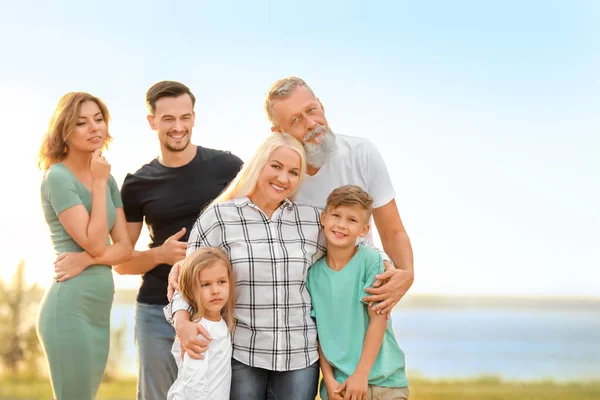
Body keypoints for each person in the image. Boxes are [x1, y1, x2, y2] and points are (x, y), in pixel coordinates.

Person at [166, 133, 326, 400]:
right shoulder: (219, 217)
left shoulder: (311, 220)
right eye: (275, 166)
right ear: (258, 165)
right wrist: (181, 322)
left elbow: (351, 251)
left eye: (293, 172)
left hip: (300, 357)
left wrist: (386, 263)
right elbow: (188, 281)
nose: (283, 178)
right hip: (243, 354)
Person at [114, 80, 243, 400]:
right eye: (168, 119)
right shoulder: (137, 183)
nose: (178, 127)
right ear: (152, 121)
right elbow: (121, 263)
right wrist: (160, 254)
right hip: (157, 309)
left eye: (185, 117)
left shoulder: (228, 167)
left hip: (217, 309)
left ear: (194, 118)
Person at [265, 76, 414, 315]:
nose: (311, 123)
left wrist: (406, 274)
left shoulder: (362, 154)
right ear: (279, 132)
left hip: (361, 300)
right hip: (304, 306)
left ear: (321, 106)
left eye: (312, 110)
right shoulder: (277, 175)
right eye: (296, 120)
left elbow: (392, 230)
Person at [36, 92, 132, 400]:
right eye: (81, 122)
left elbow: (125, 250)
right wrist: (99, 183)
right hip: (69, 307)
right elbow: (95, 242)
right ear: (65, 130)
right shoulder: (59, 177)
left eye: (99, 119)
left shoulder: (108, 179)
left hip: (98, 309)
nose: (94, 127)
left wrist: (88, 261)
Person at [307, 185, 409, 400]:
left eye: (352, 220)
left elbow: (378, 320)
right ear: (324, 218)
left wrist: (361, 375)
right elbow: (320, 334)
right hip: (340, 388)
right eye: (336, 216)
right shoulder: (313, 275)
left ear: (364, 229)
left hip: (384, 384)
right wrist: (329, 380)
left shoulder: (371, 261)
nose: (341, 225)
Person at [167, 247, 236, 400]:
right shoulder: (199, 331)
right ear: (190, 289)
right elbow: (193, 381)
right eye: (205, 284)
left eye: (221, 282)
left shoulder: (219, 323)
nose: (215, 290)